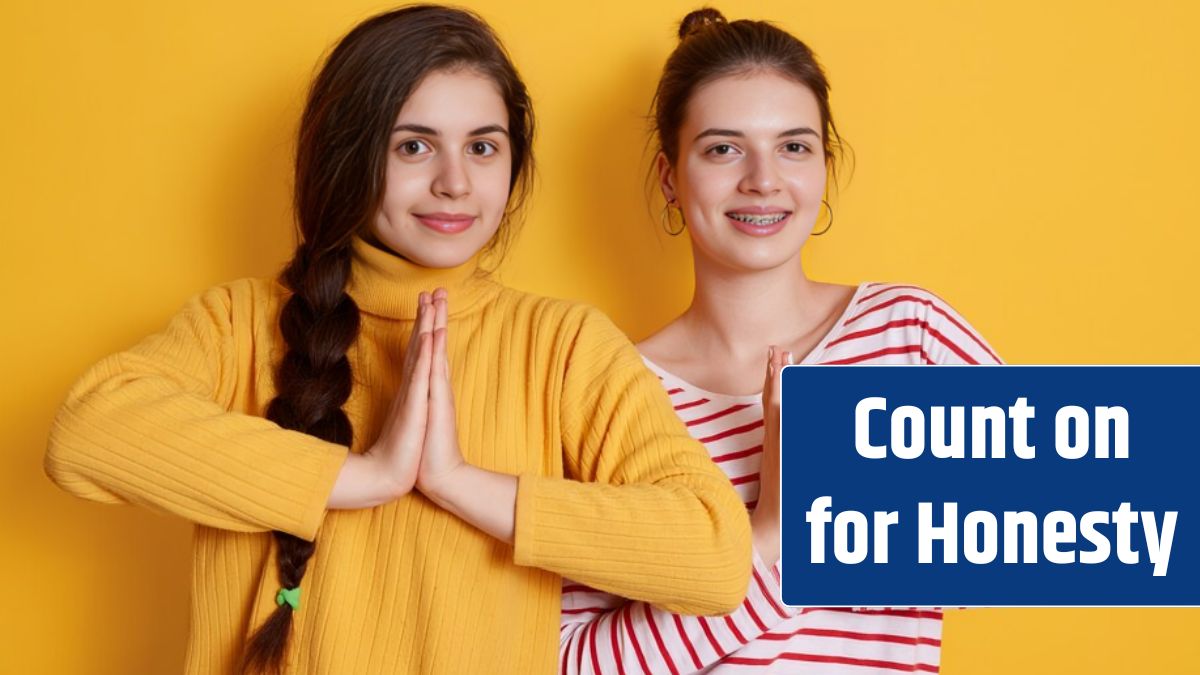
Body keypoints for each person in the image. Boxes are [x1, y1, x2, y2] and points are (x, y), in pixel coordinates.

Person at [43, 6, 752, 674]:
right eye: (414, 145)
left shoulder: (562, 345)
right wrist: (364, 476)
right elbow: (87, 432)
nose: (454, 182)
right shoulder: (238, 323)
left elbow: (715, 557)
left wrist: (461, 483)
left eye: (482, 146)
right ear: (347, 155)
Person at [559, 7, 1001, 674]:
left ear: (825, 163)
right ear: (670, 177)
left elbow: (1016, 552)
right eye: (723, 148)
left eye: (794, 146)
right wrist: (768, 537)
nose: (763, 179)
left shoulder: (912, 334)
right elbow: (573, 662)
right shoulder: (607, 392)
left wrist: (813, 519)